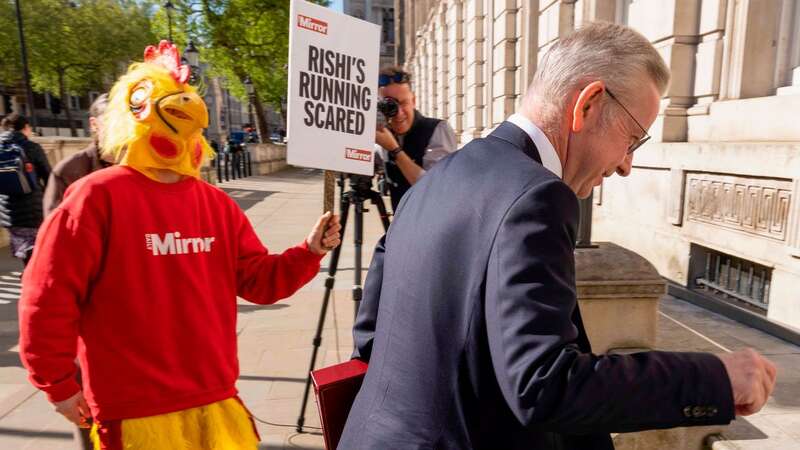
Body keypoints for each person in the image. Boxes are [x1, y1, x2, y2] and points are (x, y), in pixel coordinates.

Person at [339, 22, 777, 450]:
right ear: (587, 105)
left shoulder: (438, 178)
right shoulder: (537, 196)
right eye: (632, 139)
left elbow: (373, 334)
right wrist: (714, 379)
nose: (626, 164)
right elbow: (543, 385)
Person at [18, 41, 342, 449]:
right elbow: (47, 297)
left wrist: (308, 251)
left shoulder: (215, 204)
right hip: (133, 410)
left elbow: (260, 282)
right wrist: (58, 384)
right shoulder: (93, 197)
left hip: (215, 398)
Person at [375, 65, 457, 210]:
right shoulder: (384, 135)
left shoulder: (438, 130)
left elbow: (435, 190)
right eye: (390, 105)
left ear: (413, 100)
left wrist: (395, 150)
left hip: (433, 228)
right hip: (400, 226)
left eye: (404, 102)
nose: (399, 113)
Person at [43, 94, 114, 217]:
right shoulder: (68, 170)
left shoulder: (147, 166)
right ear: (94, 124)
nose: (121, 128)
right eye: (112, 121)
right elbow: (56, 227)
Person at [0, 113, 51, 266]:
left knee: (24, 250)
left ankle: (28, 276)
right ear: (26, 128)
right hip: (33, 210)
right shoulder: (31, 147)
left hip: (8, 213)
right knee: (40, 251)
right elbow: (49, 177)